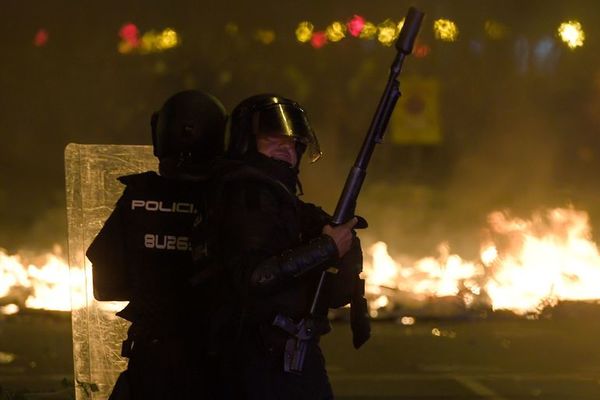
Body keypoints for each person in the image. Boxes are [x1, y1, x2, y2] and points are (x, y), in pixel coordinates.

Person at [198, 94, 367, 399]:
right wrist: (326, 248)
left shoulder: (284, 202)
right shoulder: (245, 194)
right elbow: (257, 276)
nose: (286, 149)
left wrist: (340, 249)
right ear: (247, 144)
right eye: (273, 140)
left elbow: (334, 294)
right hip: (256, 360)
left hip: (287, 356)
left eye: (292, 144)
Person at [86, 89, 227, 400]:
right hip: (215, 364)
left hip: (150, 361)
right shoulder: (231, 199)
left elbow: (106, 286)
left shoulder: (138, 196)